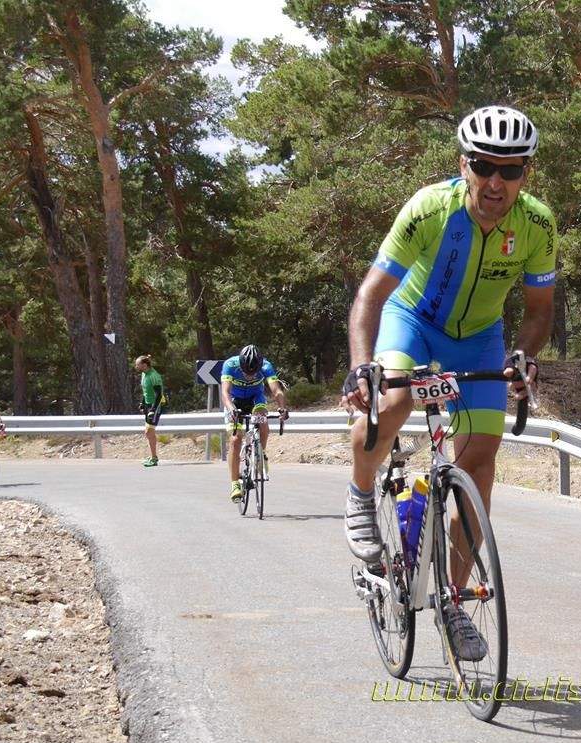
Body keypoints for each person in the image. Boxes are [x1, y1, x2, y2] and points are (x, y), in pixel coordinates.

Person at [340, 105, 556, 660]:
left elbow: (538, 311)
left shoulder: (537, 225)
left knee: (480, 462)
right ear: (464, 164)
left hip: (480, 336)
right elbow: (370, 295)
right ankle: (361, 495)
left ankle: (453, 602)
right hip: (410, 321)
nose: (495, 182)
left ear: (525, 175)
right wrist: (363, 364)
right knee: (390, 405)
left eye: (510, 171)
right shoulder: (428, 210)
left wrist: (523, 356)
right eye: (485, 166)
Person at [220, 345, 288, 502]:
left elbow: (276, 390)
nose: (250, 376)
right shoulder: (230, 365)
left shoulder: (266, 366)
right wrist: (231, 409)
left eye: (253, 373)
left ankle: (261, 454)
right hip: (234, 402)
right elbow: (225, 393)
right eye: (246, 372)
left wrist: (282, 408)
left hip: (256, 399)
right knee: (236, 440)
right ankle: (235, 483)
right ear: (241, 364)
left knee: (262, 417)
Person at [134, 355, 166, 467]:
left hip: (156, 404)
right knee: (148, 432)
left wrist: (153, 409)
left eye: (137, 364)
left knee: (149, 431)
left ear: (144, 365)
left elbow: (158, 394)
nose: (136, 366)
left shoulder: (153, 375)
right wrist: (143, 403)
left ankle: (154, 458)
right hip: (148, 404)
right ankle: (152, 456)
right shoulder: (144, 374)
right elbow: (146, 391)